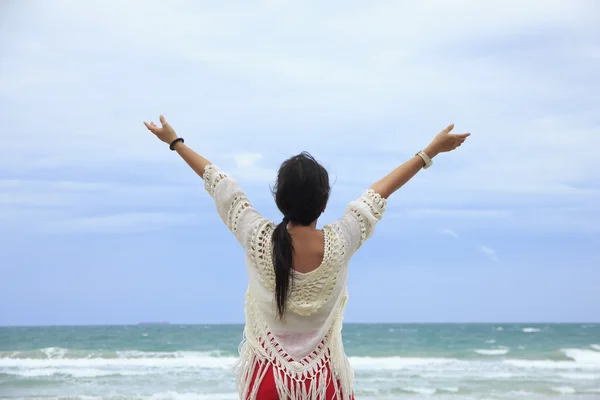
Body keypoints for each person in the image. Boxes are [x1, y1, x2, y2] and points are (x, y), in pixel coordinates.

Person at [144, 115, 470, 400]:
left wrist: (175, 141)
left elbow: (219, 183)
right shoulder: (342, 239)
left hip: (268, 381)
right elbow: (380, 191)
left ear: (279, 198)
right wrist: (428, 152)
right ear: (324, 203)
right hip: (325, 383)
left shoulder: (257, 236)